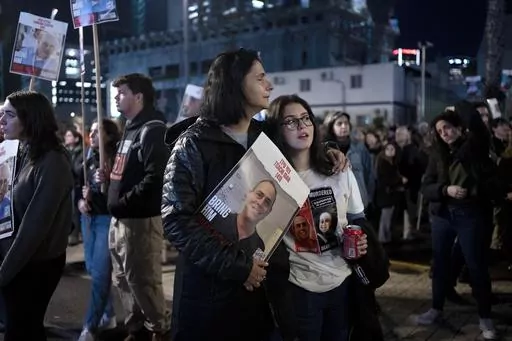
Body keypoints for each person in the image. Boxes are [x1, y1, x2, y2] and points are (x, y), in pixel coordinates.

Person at [266, 94, 385, 341]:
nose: (301, 126)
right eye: (290, 121)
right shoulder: (272, 182)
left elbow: (357, 217)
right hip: (300, 288)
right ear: (276, 129)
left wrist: (360, 238)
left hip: (343, 282)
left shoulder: (339, 170)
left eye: (305, 118)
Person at [96, 73, 170, 341]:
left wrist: (124, 202)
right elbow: (128, 171)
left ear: (138, 97)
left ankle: (159, 330)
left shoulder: (153, 129)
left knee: (144, 282)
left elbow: (156, 178)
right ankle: (136, 329)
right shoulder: (131, 127)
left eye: (122, 93)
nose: (116, 97)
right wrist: (108, 179)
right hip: (120, 220)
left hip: (139, 221)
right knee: (123, 280)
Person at [417, 102, 499, 339]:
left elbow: (476, 124)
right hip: (443, 216)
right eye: (440, 132)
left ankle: (486, 319)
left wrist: (458, 108)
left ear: (459, 128)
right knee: (440, 265)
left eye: (448, 128)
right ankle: (436, 309)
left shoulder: (474, 147)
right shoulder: (437, 154)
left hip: (471, 215)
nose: (445, 134)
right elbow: (426, 186)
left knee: (476, 266)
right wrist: (445, 190)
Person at [0, 91, 73, 341]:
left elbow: (34, 229)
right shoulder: (20, 152)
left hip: (34, 265)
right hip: (14, 260)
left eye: (9, 115)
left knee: (21, 330)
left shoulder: (53, 162)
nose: (2, 122)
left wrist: (3, 273)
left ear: (29, 119)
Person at [77, 119, 121, 341]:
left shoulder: (116, 157)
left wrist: (108, 180)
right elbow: (76, 185)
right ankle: (108, 312)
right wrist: (80, 201)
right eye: (91, 131)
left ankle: (90, 326)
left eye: (97, 131)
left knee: (101, 274)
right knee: (93, 269)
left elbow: (122, 189)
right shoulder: (86, 156)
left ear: (110, 136)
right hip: (88, 219)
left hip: (106, 218)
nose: (92, 135)